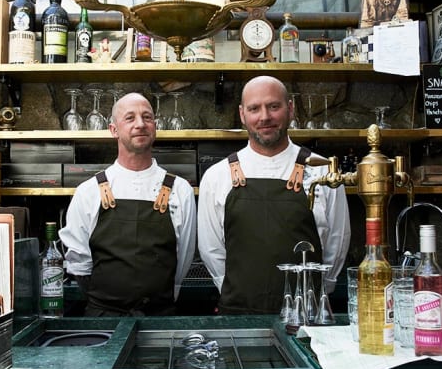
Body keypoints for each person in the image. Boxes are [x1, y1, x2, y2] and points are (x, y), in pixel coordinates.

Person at [198, 76, 351, 315]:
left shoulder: (322, 172)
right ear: (242, 114)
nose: (264, 117)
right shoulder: (217, 176)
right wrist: (235, 290)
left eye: (273, 106)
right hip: (239, 315)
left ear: (290, 109)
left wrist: (323, 289)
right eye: (254, 108)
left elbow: (338, 240)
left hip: (307, 314)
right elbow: (211, 248)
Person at [60, 92, 197, 316]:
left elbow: (183, 258)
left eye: (147, 117)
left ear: (155, 126)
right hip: (102, 321)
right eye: (130, 118)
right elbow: (79, 265)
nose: (140, 124)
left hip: (160, 319)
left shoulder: (180, 189)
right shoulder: (89, 191)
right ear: (114, 130)